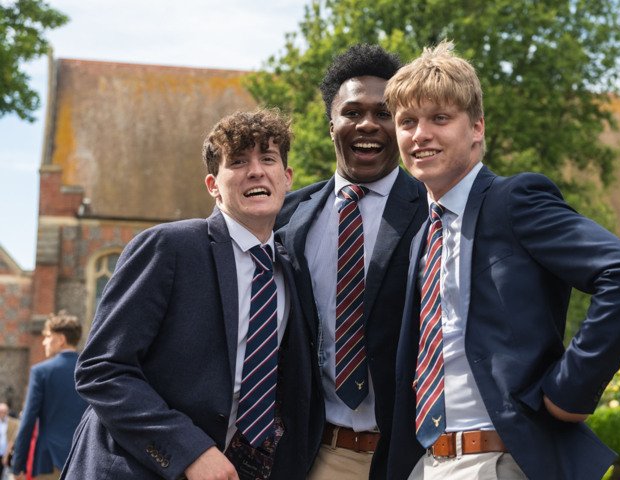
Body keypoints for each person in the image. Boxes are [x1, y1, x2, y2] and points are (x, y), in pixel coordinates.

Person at [382, 41, 620, 480]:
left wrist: (568, 393)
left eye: (440, 118)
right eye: (407, 122)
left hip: (498, 461)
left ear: (476, 128)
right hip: (425, 463)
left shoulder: (514, 201)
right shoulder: (423, 234)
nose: (420, 134)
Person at [60, 108, 323, 480]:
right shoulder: (169, 247)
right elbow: (101, 370)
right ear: (213, 185)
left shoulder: (291, 274)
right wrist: (189, 452)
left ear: (287, 178)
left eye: (268, 158)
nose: (256, 170)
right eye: (238, 161)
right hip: (136, 468)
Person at [275, 44, 428, 480]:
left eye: (384, 113)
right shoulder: (287, 218)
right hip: (319, 454)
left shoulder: (436, 211)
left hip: (415, 457)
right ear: (331, 126)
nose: (368, 124)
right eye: (353, 112)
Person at [10, 312, 87, 480]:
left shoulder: (41, 372)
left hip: (50, 463)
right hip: (86, 461)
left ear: (60, 339)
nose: (44, 341)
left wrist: (17, 466)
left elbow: (28, 420)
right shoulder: (90, 371)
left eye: (47, 336)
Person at [1, 402, 20, 479]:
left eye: (4, 411)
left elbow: (12, 440)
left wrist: (6, 455)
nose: (2, 413)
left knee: (4, 475)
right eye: (0, 411)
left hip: (5, 454)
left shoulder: (13, 423)